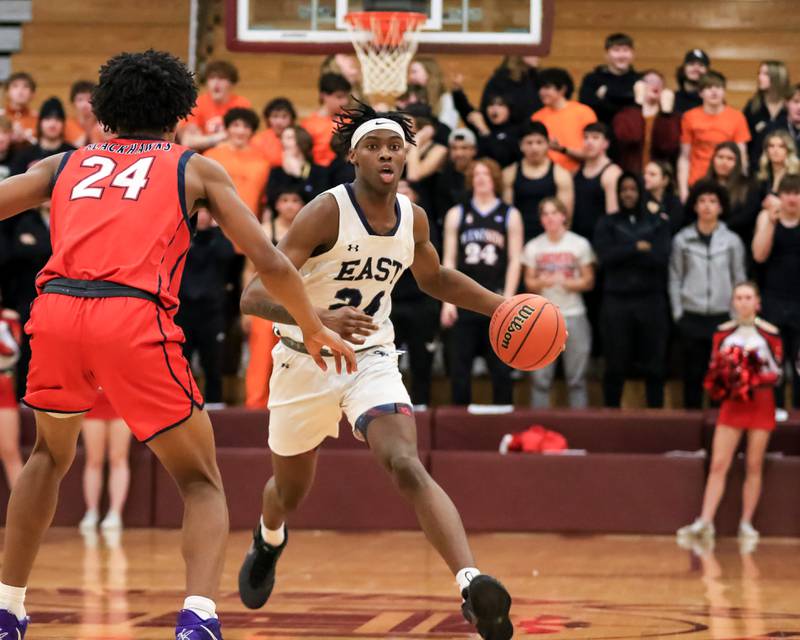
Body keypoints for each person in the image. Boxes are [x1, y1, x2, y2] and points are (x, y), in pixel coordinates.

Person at [0, 49, 355, 639]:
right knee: (200, 480)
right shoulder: (195, 168)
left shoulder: (66, 162)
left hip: (56, 313)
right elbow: (267, 258)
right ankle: (198, 618)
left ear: (106, 109)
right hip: (131, 317)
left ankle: (7, 609)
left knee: (48, 456)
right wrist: (311, 324)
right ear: (178, 112)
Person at [237, 102, 514, 640]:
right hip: (303, 358)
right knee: (288, 493)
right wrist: (315, 316)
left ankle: (471, 584)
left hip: (371, 356)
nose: (386, 153)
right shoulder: (324, 211)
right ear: (353, 156)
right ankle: (269, 538)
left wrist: (500, 305)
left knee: (405, 462)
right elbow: (252, 295)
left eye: (394, 145)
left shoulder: (414, 217)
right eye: (373, 145)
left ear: (406, 156)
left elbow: (434, 279)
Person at [677, 282, 782, 543]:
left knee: (754, 465)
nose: (744, 302)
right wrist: (730, 378)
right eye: (739, 297)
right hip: (733, 404)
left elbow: (779, 372)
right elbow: (714, 369)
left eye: (749, 297)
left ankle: (746, 524)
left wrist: (751, 376)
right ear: (733, 302)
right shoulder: (722, 334)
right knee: (719, 463)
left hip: (761, 403)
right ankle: (705, 521)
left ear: (757, 302)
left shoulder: (769, 334)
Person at [442, 158, 523, 406]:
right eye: (476, 174)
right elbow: (448, 259)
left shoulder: (510, 214)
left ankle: (503, 420)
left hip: (495, 301)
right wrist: (447, 302)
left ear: (495, 180)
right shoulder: (457, 213)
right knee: (459, 368)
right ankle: (457, 427)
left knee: (501, 368)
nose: (480, 178)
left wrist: (508, 300)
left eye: (486, 174)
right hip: (464, 299)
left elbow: (515, 259)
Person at [594, 172, 672, 408]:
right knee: (615, 364)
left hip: (652, 301)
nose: (628, 194)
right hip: (617, 302)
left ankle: (656, 416)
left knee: (655, 364)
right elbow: (605, 257)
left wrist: (624, 251)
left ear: (641, 192)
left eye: (633, 189)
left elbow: (661, 257)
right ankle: (610, 416)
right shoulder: (607, 222)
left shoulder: (658, 221)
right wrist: (638, 247)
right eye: (623, 189)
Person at [670, 179, 747, 409]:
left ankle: (718, 431)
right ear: (694, 206)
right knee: (692, 377)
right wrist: (678, 313)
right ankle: (691, 435)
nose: (707, 206)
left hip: (723, 317)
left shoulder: (732, 241)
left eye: (713, 201)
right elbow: (675, 278)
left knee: (721, 378)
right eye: (702, 201)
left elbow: (739, 278)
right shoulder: (682, 240)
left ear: (721, 207)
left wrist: (736, 316)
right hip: (691, 316)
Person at [523, 197, 594, 407]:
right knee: (539, 380)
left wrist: (567, 282)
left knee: (577, 379)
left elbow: (589, 281)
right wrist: (540, 282)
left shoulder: (579, 243)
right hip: (542, 318)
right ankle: (537, 432)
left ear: (563, 216)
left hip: (574, 313)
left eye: (554, 213)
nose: (550, 218)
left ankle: (582, 429)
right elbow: (528, 282)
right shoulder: (533, 246)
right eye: (545, 214)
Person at [243, 186, 306, 409]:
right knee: (260, 355)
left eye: (295, 200)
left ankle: (293, 405)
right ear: (277, 204)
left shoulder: (308, 231)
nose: (290, 205)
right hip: (265, 302)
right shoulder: (263, 230)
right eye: (285, 199)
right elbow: (249, 270)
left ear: (302, 206)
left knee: (298, 355)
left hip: (296, 303)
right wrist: (246, 310)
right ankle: (255, 404)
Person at [175, 208, 236, 407]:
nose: (201, 217)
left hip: (212, 311)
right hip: (183, 310)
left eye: (206, 213)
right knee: (182, 359)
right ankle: (182, 402)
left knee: (213, 360)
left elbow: (227, 256)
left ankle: (214, 401)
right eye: (197, 212)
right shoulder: (180, 238)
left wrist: (218, 228)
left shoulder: (220, 241)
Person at [752, 174, 800, 411]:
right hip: (774, 299)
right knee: (775, 362)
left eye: (797, 193)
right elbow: (759, 255)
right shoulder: (767, 218)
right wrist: (770, 223)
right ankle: (776, 413)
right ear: (779, 196)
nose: (792, 198)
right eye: (787, 193)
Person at [391, 179, 440, 408]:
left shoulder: (423, 224)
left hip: (421, 301)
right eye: (397, 191)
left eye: (406, 191)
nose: (401, 195)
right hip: (388, 303)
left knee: (422, 361)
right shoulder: (377, 224)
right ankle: (391, 406)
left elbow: (435, 270)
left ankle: (421, 406)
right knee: (388, 363)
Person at [678, 71, 751, 201]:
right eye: (708, 88)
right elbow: (684, 157)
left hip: (728, 182)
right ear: (700, 93)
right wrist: (683, 190)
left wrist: (741, 185)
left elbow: (742, 155)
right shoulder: (689, 117)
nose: (714, 92)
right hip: (697, 181)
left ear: (724, 92)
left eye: (718, 87)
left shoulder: (737, 117)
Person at [502, 121, 573, 242]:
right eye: (529, 143)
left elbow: (565, 217)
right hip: (520, 236)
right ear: (521, 145)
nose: (534, 148)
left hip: (551, 238)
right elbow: (507, 215)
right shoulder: (509, 173)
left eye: (539, 142)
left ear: (547, 144)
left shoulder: (561, 174)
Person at [78, 390, 131, 532]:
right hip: (93, 398)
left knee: (118, 458)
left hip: (122, 397)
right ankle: (91, 511)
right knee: (94, 459)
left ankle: (115, 513)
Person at [203, 107, 270, 220]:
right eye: (235, 125)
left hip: (249, 223)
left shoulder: (262, 161)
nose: (241, 131)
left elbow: (263, 199)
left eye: (246, 126)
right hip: (216, 223)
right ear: (227, 128)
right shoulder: (211, 156)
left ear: (252, 131)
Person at [612, 69, 680, 173]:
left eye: (659, 82)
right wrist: (638, 104)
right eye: (650, 81)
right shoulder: (625, 114)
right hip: (632, 176)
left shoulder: (671, 117)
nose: (655, 85)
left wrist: (666, 113)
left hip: (660, 179)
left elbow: (667, 146)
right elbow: (631, 138)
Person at [532, 67, 597, 172]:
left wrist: (562, 149)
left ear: (562, 89)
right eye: (540, 88)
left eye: (547, 88)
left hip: (580, 173)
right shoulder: (537, 117)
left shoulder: (583, 112)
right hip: (546, 175)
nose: (542, 92)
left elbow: (593, 151)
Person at [180, 59, 252, 152]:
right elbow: (188, 141)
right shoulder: (198, 103)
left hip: (232, 154)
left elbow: (244, 139)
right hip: (204, 156)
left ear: (231, 83)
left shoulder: (241, 104)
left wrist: (205, 140)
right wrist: (222, 136)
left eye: (221, 78)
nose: (216, 83)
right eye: (212, 78)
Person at [701, 142, 762, 249]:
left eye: (730, 159)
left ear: (737, 162)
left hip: (738, 242)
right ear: (713, 160)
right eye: (720, 157)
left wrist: (719, 228)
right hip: (704, 241)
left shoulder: (749, 186)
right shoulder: (702, 185)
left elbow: (748, 216)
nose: (724, 162)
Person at [571, 122, 622, 241]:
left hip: (600, 238)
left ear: (606, 143)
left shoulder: (612, 173)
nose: (589, 142)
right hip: (577, 238)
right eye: (586, 137)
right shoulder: (576, 171)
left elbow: (613, 215)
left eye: (595, 137)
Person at [578, 32, 640, 125]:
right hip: (600, 132)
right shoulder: (592, 79)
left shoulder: (639, 80)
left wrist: (603, 100)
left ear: (632, 54)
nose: (621, 55)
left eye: (625, 50)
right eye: (616, 50)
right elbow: (586, 107)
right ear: (606, 54)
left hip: (629, 132)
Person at [265, 125, 328, 209]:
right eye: (282, 138)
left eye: (289, 138)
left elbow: (319, 202)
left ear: (302, 140)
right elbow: (271, 200)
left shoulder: (319, 171)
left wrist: (298, 175)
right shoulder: (276, 172)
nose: (283, 142)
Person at [744, 61, 790, 171]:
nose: (760, 77)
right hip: (757, 166)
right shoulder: (753, 106)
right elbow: (746, 138)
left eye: (765, 74)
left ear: (778, 78)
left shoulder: (790, 106)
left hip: (787, 167)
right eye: (759, 73)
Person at [431, 127, 478, 234]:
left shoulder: (483, 174)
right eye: (454, 148)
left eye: (464, 148)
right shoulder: (443, 178)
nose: (459, 153)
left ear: (474, 150)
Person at [301, 73, 351, 167]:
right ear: (324, 96)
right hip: (321, 174)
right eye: (339, 97)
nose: (345, 101)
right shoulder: (309, 125)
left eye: (346, 96)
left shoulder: (350, 120)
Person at [481, 55, 541, 125]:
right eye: (532, 52)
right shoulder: (501, 79)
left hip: (535, 129)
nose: (537, 56)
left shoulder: (537, 76)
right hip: (509, 130)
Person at [0, 308, 23, 489]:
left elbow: (11, 353)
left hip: (4, 390)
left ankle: (28, 513)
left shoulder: (8, 321)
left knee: (10, 451)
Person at [408, 57, 459, 129]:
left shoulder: (445, 98)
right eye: (410, 73)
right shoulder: (413, 94)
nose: (411, 76)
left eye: (414, 72)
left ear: (428, 72)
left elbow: (446, 126)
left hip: (439, 136)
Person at [756, 129, 799, 204]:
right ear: (767, 151)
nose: (775, 150)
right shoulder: (763, 178)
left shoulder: (796, 175)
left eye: (781, 146)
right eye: (771, 146)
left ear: (788, 150)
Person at [251, 97, 296, 168]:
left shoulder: (299, 138)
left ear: (291, 119)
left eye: (284, 117)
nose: (279, 122)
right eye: (275, 116)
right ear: (268, 119)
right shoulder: (258, 140)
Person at [643, 160, 684, 234]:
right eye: (645, 173)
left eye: (652, 174)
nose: (646, 177)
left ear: (665, 179)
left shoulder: (674, 203)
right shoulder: (641, 200)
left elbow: (675, 228)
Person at [64, 80, 105, 147]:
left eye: (89, 99)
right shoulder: (68, 124)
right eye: (80, 99)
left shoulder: (103, 126)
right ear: (73, 102)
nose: (84, 104)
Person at [1, 73, 37, 148]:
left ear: (32, 94)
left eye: (26, 86)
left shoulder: (38, 118)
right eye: (15, 86)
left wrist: (27, 138)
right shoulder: (1, 115)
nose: (20, 91)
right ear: (7, 92)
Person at [674, 49, 710, 115]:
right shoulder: (673, 99)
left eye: (701, 65)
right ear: (684, 69)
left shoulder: (713, 100)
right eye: (691, 64)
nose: (696, 68)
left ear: (707, 72)